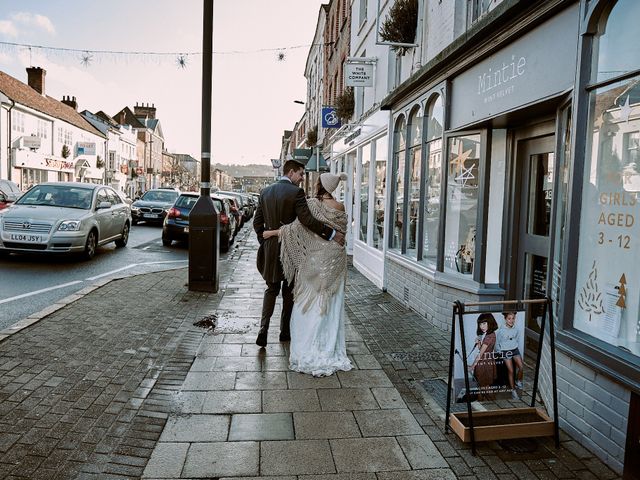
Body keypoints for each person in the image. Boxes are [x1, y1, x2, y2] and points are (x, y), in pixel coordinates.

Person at [262, 172, 352, 376]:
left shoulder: (311, 204)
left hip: (314, 261)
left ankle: (308, 343)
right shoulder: (340, 207)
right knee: (329, 305)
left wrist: (273, 232)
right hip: (335, 260)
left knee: (308, 304)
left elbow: (297, 228)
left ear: (321, 185)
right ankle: (327, 345)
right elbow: (342, 235)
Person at [253, 160, 345, 348]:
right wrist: (332, 234)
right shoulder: (296, 193)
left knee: (271, 289)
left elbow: (257, 223)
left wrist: (266, 242)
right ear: (292, 172)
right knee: (288, 290)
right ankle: (284, 332)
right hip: (291, 248)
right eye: (301, 174)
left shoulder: (265, 192)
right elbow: (307, 221)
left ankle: (263, 329)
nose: (302, 178)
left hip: (271, 247)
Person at [468, 312, 499, 400]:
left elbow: (480, 353)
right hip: (486, 361)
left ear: (490, 322)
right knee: (480, 385)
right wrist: (478, 343)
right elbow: (482, 348)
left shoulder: (489, 337)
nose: (482, 326)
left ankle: (494, 402)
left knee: (484, 385)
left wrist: (472, 366)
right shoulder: (490, 334)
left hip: (484, 363)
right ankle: (480, 400)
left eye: (484, 323)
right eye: (480, 324)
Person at [497, 311, 524, 400]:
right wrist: (501, 352)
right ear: (505, 319)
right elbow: (497, 343)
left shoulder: (516, 329)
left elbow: (516, 339)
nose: (511, 320)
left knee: (521, 367)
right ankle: (513, 391)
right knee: (511, 371)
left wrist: (513, 345)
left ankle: (518, 381)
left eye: (513, 318)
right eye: (509, 318)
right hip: (505, 351)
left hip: (515, 349)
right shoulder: (501, 331)